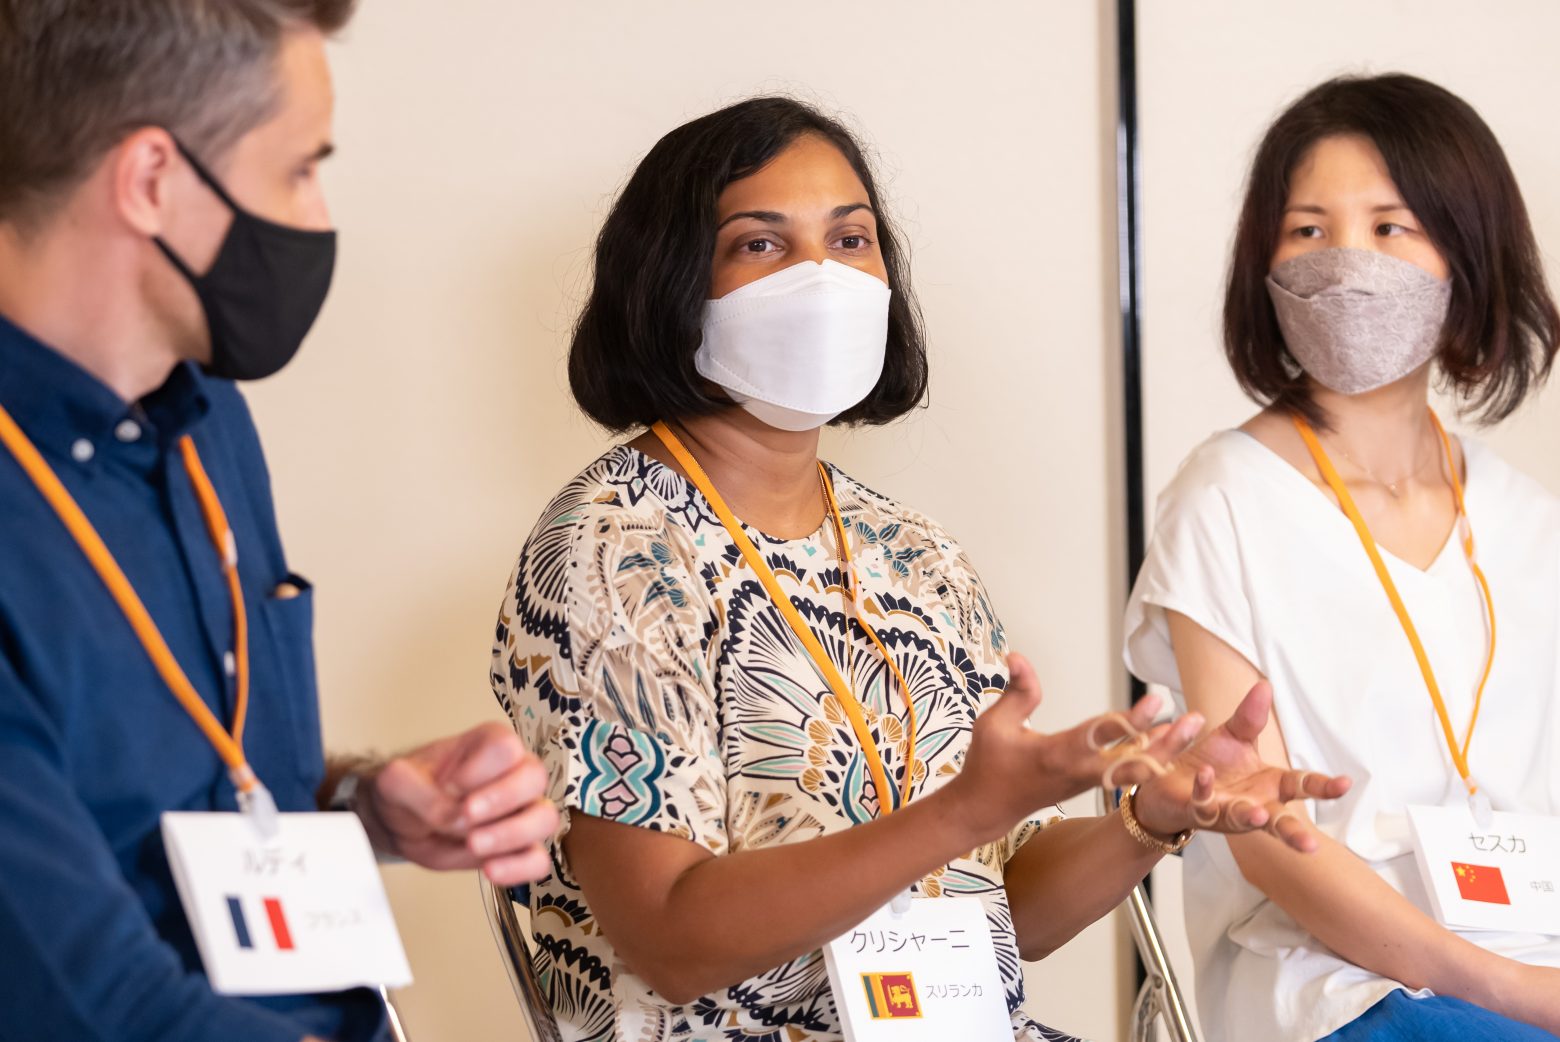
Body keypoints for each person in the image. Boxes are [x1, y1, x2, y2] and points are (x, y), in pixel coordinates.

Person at [491, 95, 1349, 1042]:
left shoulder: (914, 553)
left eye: (850, 240)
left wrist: (1151, 816)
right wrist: (959, 815)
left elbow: (1003, 915)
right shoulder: (614, 548)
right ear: (669, 284)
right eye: (761, 244)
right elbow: (668, 942)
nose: (822, 277)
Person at [0, 3, 558, 1041]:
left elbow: (199, 788)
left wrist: (364, 803)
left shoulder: (205, 420)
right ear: (151, 180)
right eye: (300, 169)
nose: (316, 216)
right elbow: (82, 996)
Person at [1125, 74, 1560, 1041]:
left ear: (1470, 254)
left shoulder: (1530, 521)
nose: (1345, 261)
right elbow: (1266, 837)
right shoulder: (1223, 499)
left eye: (1390, 226)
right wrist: (1517, 993)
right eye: (1308, 229)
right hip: (1334, 984)